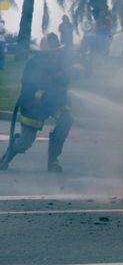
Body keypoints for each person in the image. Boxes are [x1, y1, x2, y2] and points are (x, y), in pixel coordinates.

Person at [0, 33, 84, 172]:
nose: (55, 54)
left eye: (57, 51)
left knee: (66, 120)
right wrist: (50, 80)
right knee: (24, 143)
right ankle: (8, 156)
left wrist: (75, 71)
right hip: (34, 106)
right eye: (51, 52)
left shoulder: (62, 61)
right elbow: (29, 86)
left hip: (55, 102)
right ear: (43, 52)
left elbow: (77, 70)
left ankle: (53, 161)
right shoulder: (33, 64)